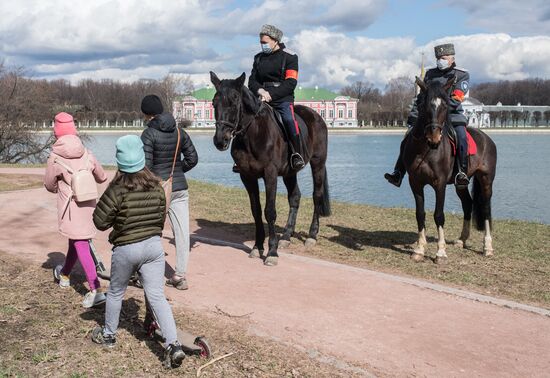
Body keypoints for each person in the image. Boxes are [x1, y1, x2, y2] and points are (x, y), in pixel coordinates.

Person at [91, 135, 185, 368]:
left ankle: (109, 335)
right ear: (142, 158)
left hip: (126, 248)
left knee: (115, 292)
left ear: (120, 161)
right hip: (154, 247)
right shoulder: (156, 186)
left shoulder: (117, 189)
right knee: (157, 296)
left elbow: (100, 221)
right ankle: (173, 345)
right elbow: (161, 214)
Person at [384, 43, 471, 187]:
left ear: (452, 58)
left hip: (452, 115)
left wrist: (439, 108)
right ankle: (398, 172)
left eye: (443, 57)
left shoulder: (461, 75)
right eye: (438, 58)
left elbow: (456, 100)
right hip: (429, 117)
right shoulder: (430, 74)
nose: (440, 60)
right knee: (408, 137)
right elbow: (421, 99)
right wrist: (413, 116)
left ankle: (461, 172)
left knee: (461, 137)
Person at [44, 112, 108, 308]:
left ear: (57, 132)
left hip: (69, 206)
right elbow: (102, 176)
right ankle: (64, 274)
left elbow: (48, 184)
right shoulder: (87, 152)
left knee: (80, 242)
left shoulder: (55, 157)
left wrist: (60, 187)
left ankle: (95, 288)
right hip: (88, 204)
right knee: (77, 240)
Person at [140, 95, 198, 290]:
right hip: (179, 187)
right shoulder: (180, 132)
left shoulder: (148, 134)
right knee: (182, 233)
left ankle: (144, 274)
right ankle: (180, 276)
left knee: (150, 231)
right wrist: (177, 172)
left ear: (147, 114)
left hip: (158, 189)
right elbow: (193, 158)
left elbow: (146, 167)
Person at [247, 24, 304, 170]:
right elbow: (252, 81)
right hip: (261, 97)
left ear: (275, 40)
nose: (262, 46)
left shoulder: (290, 57)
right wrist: (260, 91)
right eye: (260, 43)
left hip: (282, 99)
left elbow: (291, 83)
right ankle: (242, 155)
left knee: (289, 119)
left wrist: (271, 95)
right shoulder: (258, 58)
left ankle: (297, 154)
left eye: (264, 43)